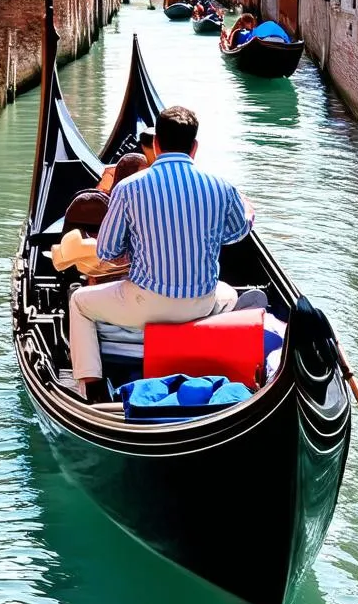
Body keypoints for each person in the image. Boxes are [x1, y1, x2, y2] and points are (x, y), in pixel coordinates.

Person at [68, 106, 254, 397]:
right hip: (202, 302)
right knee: (229, 294)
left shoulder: (128, 188)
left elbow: (106, 250)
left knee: (79, 302)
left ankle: (90, 388)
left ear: (156, 145)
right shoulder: (222, 187)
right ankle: (205, 354)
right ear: (194, 147)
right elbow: (238, 232)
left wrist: (132, 249)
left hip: (146, 304)